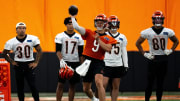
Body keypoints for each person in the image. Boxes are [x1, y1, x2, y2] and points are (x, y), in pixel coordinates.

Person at [70, 13, 117, 101]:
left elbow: (108, 49)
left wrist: (98, 39)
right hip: (87, 61)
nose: (99, 24)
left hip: (98, 62)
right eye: (97, 22)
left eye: (101, 22)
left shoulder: (109, 38)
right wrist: (73, 17)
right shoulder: (89, 32)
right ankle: (94, 99)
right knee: (86, 89)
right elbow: (76, 27)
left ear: (105, 23)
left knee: (99, 83)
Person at [136, 10, 179, 101]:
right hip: (153, 58)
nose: (158, 21)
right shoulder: (147, 32)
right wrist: (145, 54)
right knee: (150, 83)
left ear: (162, 20)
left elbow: (176, 41)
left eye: (160, 19)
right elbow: (138, 43)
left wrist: (171, 50)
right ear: (153, 20)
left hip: (163, 58)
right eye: (156, 19)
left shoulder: (168, 31)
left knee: (160, 83)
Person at [2, 22, 42, 101]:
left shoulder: (32, 38)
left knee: (33, 86)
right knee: (20, 87)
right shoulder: (11, 42)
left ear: (25, 29)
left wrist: (36, 62)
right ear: (16, 30)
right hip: (18, 65)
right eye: (20, 28)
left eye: (23, 28)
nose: (22, 30)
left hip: (29, 64)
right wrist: (12, 62)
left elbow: (39, 50)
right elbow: (4, 53)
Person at [55, 17, 84, 101]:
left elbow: (81, 53)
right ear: (66, 25)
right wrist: (61, 60)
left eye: (72, 24)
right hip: (64, 62)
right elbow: (58, 50)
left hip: (75, 62)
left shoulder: (79, 37)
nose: (71, 26)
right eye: (69, 24)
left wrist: (82, 65)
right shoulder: (60, 36)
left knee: (72, 85)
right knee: (60, 84)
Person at [103, 15, 129, 101]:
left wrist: (126, 64)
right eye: (112, 25)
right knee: (103, 85)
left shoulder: (122, 37)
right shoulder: (104, 35)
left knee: (115, 86)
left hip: (118, 64)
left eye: (115, 24)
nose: (114, 26)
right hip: (106, 63)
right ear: (108, 25)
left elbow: (124, 52)